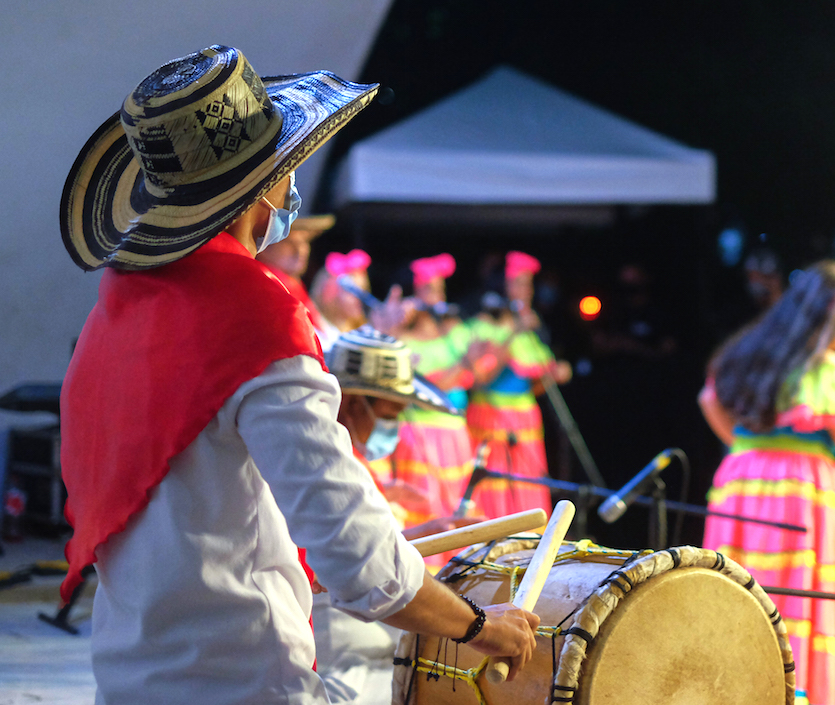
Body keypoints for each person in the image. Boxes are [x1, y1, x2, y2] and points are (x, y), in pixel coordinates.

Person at [56, 45, 538, 705]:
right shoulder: (254, 311)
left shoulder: (108, 324)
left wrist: (392, 542)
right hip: (246, 686)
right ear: (264, 190)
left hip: (128, 682)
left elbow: (213, 521)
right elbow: (357, 556)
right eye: (290, 172)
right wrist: (480, 624)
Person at [699, 260, 835, 705]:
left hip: (741, 484)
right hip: (805, 493)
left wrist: (751, 450)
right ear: (826, 313)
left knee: (742, 592)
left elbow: (710, 399)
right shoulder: (828, 371)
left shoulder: (750, 350)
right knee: (800, 599)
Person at [314, 325, 479, 702]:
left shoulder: (349, 457)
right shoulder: (329, 464)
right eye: (391, 412)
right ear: (354, 403)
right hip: (340, 651)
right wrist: (478, 628)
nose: (396, 426)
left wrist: (435, 529)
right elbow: (351, 559)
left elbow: (362, 546)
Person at [465, 251, 572, 519]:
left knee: (526, 486)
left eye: (528, 284)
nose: (524, 291)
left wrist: (553, 374)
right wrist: (514, 331)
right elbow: (481, 378)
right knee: (495, 488)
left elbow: (533, 386)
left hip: (525, 419)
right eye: (517, 283)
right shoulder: (482, 326)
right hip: (490, 418)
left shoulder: (531, 330)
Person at [389, 254, 477, 553]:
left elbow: (475, 374)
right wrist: (463, 365)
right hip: (420, 435)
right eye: (428, 289)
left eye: (439, 290)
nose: (436, 297)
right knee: (426, 504)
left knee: (456, 504)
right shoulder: (405, 339)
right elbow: (428, 389)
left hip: (455, 432)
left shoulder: (456, 335)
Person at [257, 210, 333, 330]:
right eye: (289, 243)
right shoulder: (271, 287)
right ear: (265, 247)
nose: (300, 251)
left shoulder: (293, 284)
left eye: (304, 242)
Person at [310, 247, 372, 350]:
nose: (359, 298)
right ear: (330, 291)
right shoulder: (314, 332)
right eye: (352, 291)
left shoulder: (364, 332)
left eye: (363, 290)